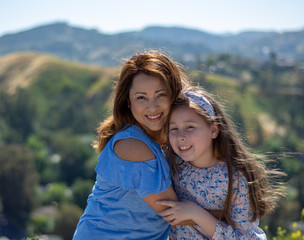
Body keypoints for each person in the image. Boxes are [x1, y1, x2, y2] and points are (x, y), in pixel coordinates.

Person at [73, 51, 190, 239]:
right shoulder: (133, 146)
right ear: (128, 101)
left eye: (161, 95)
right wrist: (232, 213)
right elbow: (175, 214)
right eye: (141, 97)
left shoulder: (164, 140)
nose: (152, 107)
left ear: (174, 95)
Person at [157, 87, 285, 239]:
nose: (180, 136)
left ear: (213, 130)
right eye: (174, 129)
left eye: (190, 127)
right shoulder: (171, 164)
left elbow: (243, 237)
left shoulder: (236, 178)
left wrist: (196, 214)